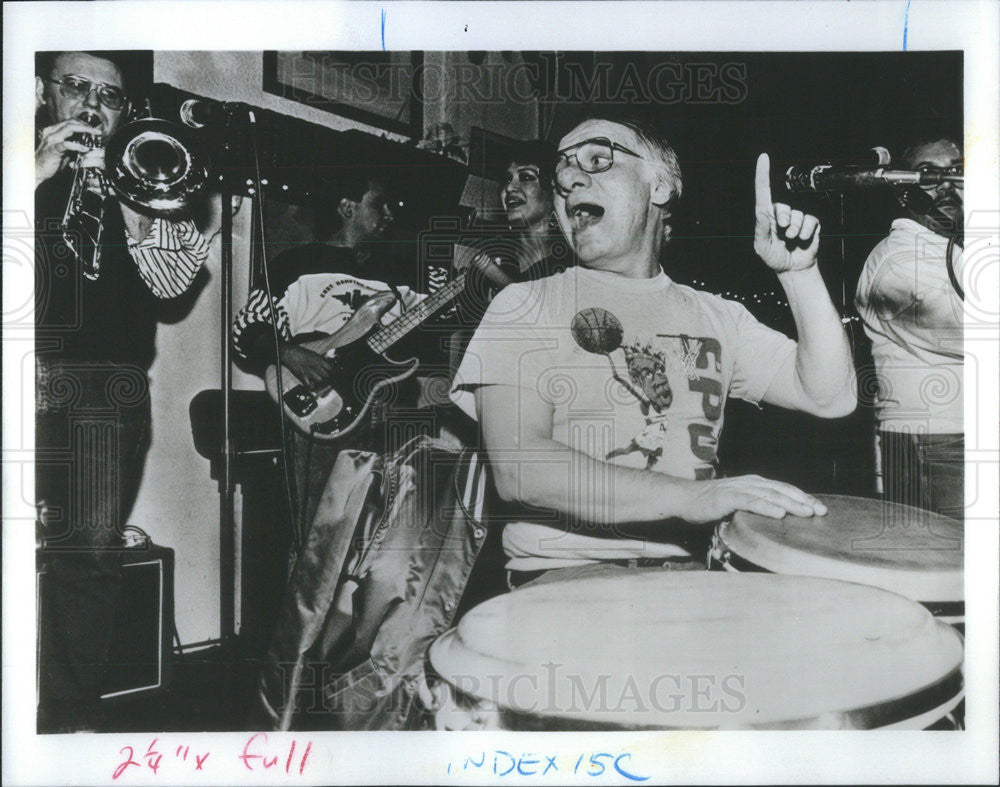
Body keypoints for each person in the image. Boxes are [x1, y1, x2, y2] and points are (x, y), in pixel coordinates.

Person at [451, 117, 857, 588]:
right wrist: (695, 498)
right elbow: (521, 469)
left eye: (597, 159)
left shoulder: (717, 316)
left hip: (696, 575)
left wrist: (799, 273)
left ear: (661, 185)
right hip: (567, 580)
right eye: (560, 171)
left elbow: (831, 396)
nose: (566, 180)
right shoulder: (525, 304)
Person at [35, 51, 211, 732]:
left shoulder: (145, 171)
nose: (90, 104)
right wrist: (31, 175)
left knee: (91, 558)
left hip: (106, 386)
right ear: (42, 91)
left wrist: (136, 208)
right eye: (75, 87)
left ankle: (70, 724)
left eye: (107, 94)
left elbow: (171, 291)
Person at [232, 171, 429, 527]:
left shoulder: (398, 275)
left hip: (386, 409)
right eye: (378, 203)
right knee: (319, 529)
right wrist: (291, 354)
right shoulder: (295, 265)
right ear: (346, 207)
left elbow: (428, 340)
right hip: (324, 407)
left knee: (380, 532)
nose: (389, 214)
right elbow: (246, 328)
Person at [854, 137, 964, 518]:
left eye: (957, 170)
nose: (949, 184)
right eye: (930, 176)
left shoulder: (958, 248)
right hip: (934, 441)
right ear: (904, 193)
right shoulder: (895, 262)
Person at [498, 139, 574, 281]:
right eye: (507, 179)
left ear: (554, 190)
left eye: (526, 177)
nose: (509, 188)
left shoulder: (576, 267)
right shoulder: (496, 263)